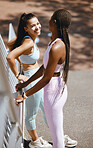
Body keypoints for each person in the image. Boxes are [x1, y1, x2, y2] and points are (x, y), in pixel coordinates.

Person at [15, 9, 77, 148]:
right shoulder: (54, 42)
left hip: (53, 91)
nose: (47, 22)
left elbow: (46, 78)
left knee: (57, 136)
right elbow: (44, 68)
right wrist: (26, 83)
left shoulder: (57, 46)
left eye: (50, 19)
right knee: (57, 132)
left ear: (54, 22)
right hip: (54, 88)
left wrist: (24, 96)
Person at [6, 13, 52, 148]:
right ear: (26, 28)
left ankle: (57, 134)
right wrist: (18, 74)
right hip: (32, 80)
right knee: (31, 115)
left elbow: (10, 44)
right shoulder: (29, 41)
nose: (37, 27)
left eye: (37, 23)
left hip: (34, 77)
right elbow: (10, 57)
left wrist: (21, 63)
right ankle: (35, 141)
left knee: (47, 109)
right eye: (33, 25)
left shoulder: (27, 38)